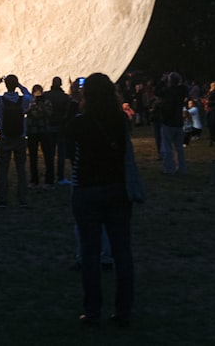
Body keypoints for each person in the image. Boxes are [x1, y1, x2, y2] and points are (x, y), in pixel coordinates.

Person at [67, 73, 134, 327]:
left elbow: (67, 130)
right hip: (118, 190)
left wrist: (74, 98)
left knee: (90, 253)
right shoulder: (120, 120)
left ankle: (92, 310)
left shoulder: (81, 122)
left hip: (87, 191)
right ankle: (123, 310)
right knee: (122, 253)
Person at [0, 75, 32, 207]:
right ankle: (22, 198)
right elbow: (29, 95)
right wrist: (20, 85)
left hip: (5, 137)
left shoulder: (0, 101)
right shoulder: (23, 100)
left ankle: (3, 199)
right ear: (16, 84)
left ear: (5, 85)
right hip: (20, 138)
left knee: (3, 170)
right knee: (21, 170)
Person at [155, 72, 188, 175]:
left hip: (168, 122)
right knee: (179, 148)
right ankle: (182, 168)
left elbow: (157, 92)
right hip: (178, 122)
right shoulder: (182, 91)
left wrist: (162, 80)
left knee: (167, 146)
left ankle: (169, 168)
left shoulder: (168, 91)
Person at [43, 77, 73, 184]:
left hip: (48, 127)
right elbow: (68, 112)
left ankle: (49, 177)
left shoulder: (46, 95)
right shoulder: (65, 97)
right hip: (61, 127)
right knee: (61, 154)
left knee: (49, 154)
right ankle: (61, 177)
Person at [25, 85, 55, 188]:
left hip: (42, 131)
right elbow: (28, 113)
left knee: (48, 156)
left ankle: (48, 180)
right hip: (35, 131)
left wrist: (39, 107)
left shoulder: (45, 103)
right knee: (33, 157)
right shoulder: (30, 103)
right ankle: (35, 180)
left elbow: (49, 114)